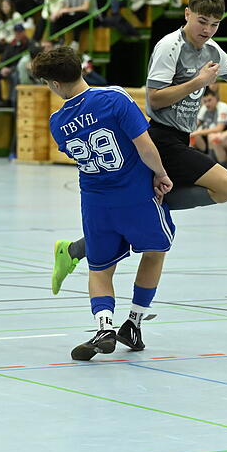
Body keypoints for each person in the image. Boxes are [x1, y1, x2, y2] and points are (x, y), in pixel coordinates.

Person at [51, 0, 227, 288]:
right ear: (187, 14)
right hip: (161, 137)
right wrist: (198, 81)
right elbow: (154, 99)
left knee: (141, 205)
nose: (207, 30)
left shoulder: (212, 49)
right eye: (202, 21)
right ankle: (95, 240)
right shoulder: (170, 47)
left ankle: (74, 249)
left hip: (182, 138)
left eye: (214, 24)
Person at [38, 43, 173, 360]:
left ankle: (104, 326)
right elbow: (145, 145)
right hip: (135, 196)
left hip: (96, 203)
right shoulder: (114, 98)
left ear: (55, 84)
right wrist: (161, 173)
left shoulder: (57, 122)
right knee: (155, 251)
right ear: (81, 68)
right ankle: (134, 322)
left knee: (100, 269)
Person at [191, 87, 227, 152]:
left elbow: (219, 128)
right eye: (205, 101)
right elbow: (196, 125)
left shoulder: (223, 107)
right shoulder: (204, 108)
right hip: (204, 139)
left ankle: (211, 159)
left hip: (221, 137)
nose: (207, 104)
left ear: (216, 98)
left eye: (209, 100)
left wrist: (198, 132)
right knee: (190, 135)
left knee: (210, 136)